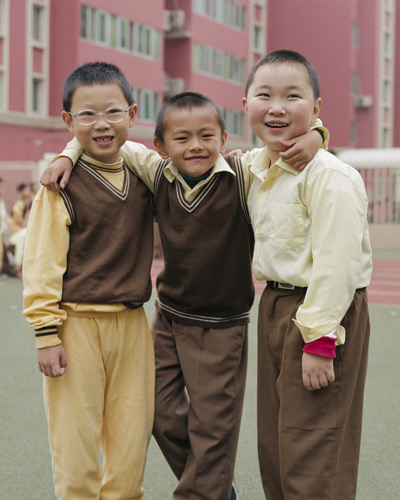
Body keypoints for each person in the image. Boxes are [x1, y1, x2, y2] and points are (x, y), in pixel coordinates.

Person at [41, 91, 327, 500]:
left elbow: (284, 143)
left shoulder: (243, 172)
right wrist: (66, 154)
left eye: (207, 136)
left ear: (224, 139)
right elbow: (103, 136)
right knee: (154, 412)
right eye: (182, 138)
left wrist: (317, 133)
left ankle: (204, 491)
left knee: (213, 425)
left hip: (223, 326)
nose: (196, 146)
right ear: (160, 146)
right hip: (169, 320)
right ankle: (216, 485)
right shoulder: (156, 172)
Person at [241, 50, 372, 500]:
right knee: (275, 445)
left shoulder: (330, 175)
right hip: (275, 305)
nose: (276, 107)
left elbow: (338, 263)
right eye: (264, 95)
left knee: (314, 444)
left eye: (292, 96)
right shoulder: (257, 167)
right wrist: (71, 151)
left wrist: (319, 338)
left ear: (316, 109)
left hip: (320, 313)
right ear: (245, 105)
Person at [22, 62, 155, 500]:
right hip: (75, 324)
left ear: (133, 115)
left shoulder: (146, 175)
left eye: (113, 112)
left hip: (133, 324)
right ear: (68, 121)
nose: (102, 124)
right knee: (75, 445)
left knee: (130, 447)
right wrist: (45, 333)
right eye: (87, 114)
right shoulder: (59, 185)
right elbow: (42, 261)